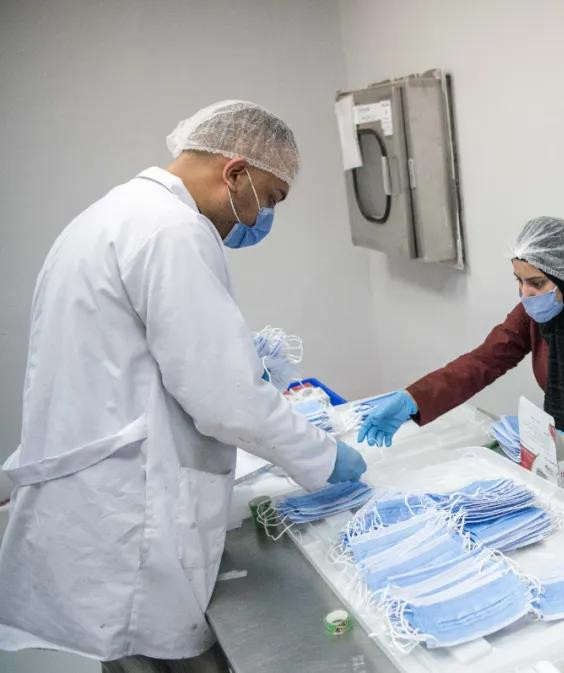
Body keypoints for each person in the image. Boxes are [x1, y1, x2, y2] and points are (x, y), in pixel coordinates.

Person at [0, 100, 367, 672]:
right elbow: (227, 401)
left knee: (128, 658)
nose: (263, 216)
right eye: (270, 198)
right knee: (165, 656)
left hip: (98, 499)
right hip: (134, 510)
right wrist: (323, 457)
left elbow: (114, 365)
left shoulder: (109, 215)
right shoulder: (173, 231)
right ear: (235, 172)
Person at [358, 217, 564, 474]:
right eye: (519, 281)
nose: (525, 293)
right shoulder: (535, 316)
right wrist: (413, 398)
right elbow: (482, 362)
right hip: (555, 460)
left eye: (537, 283)